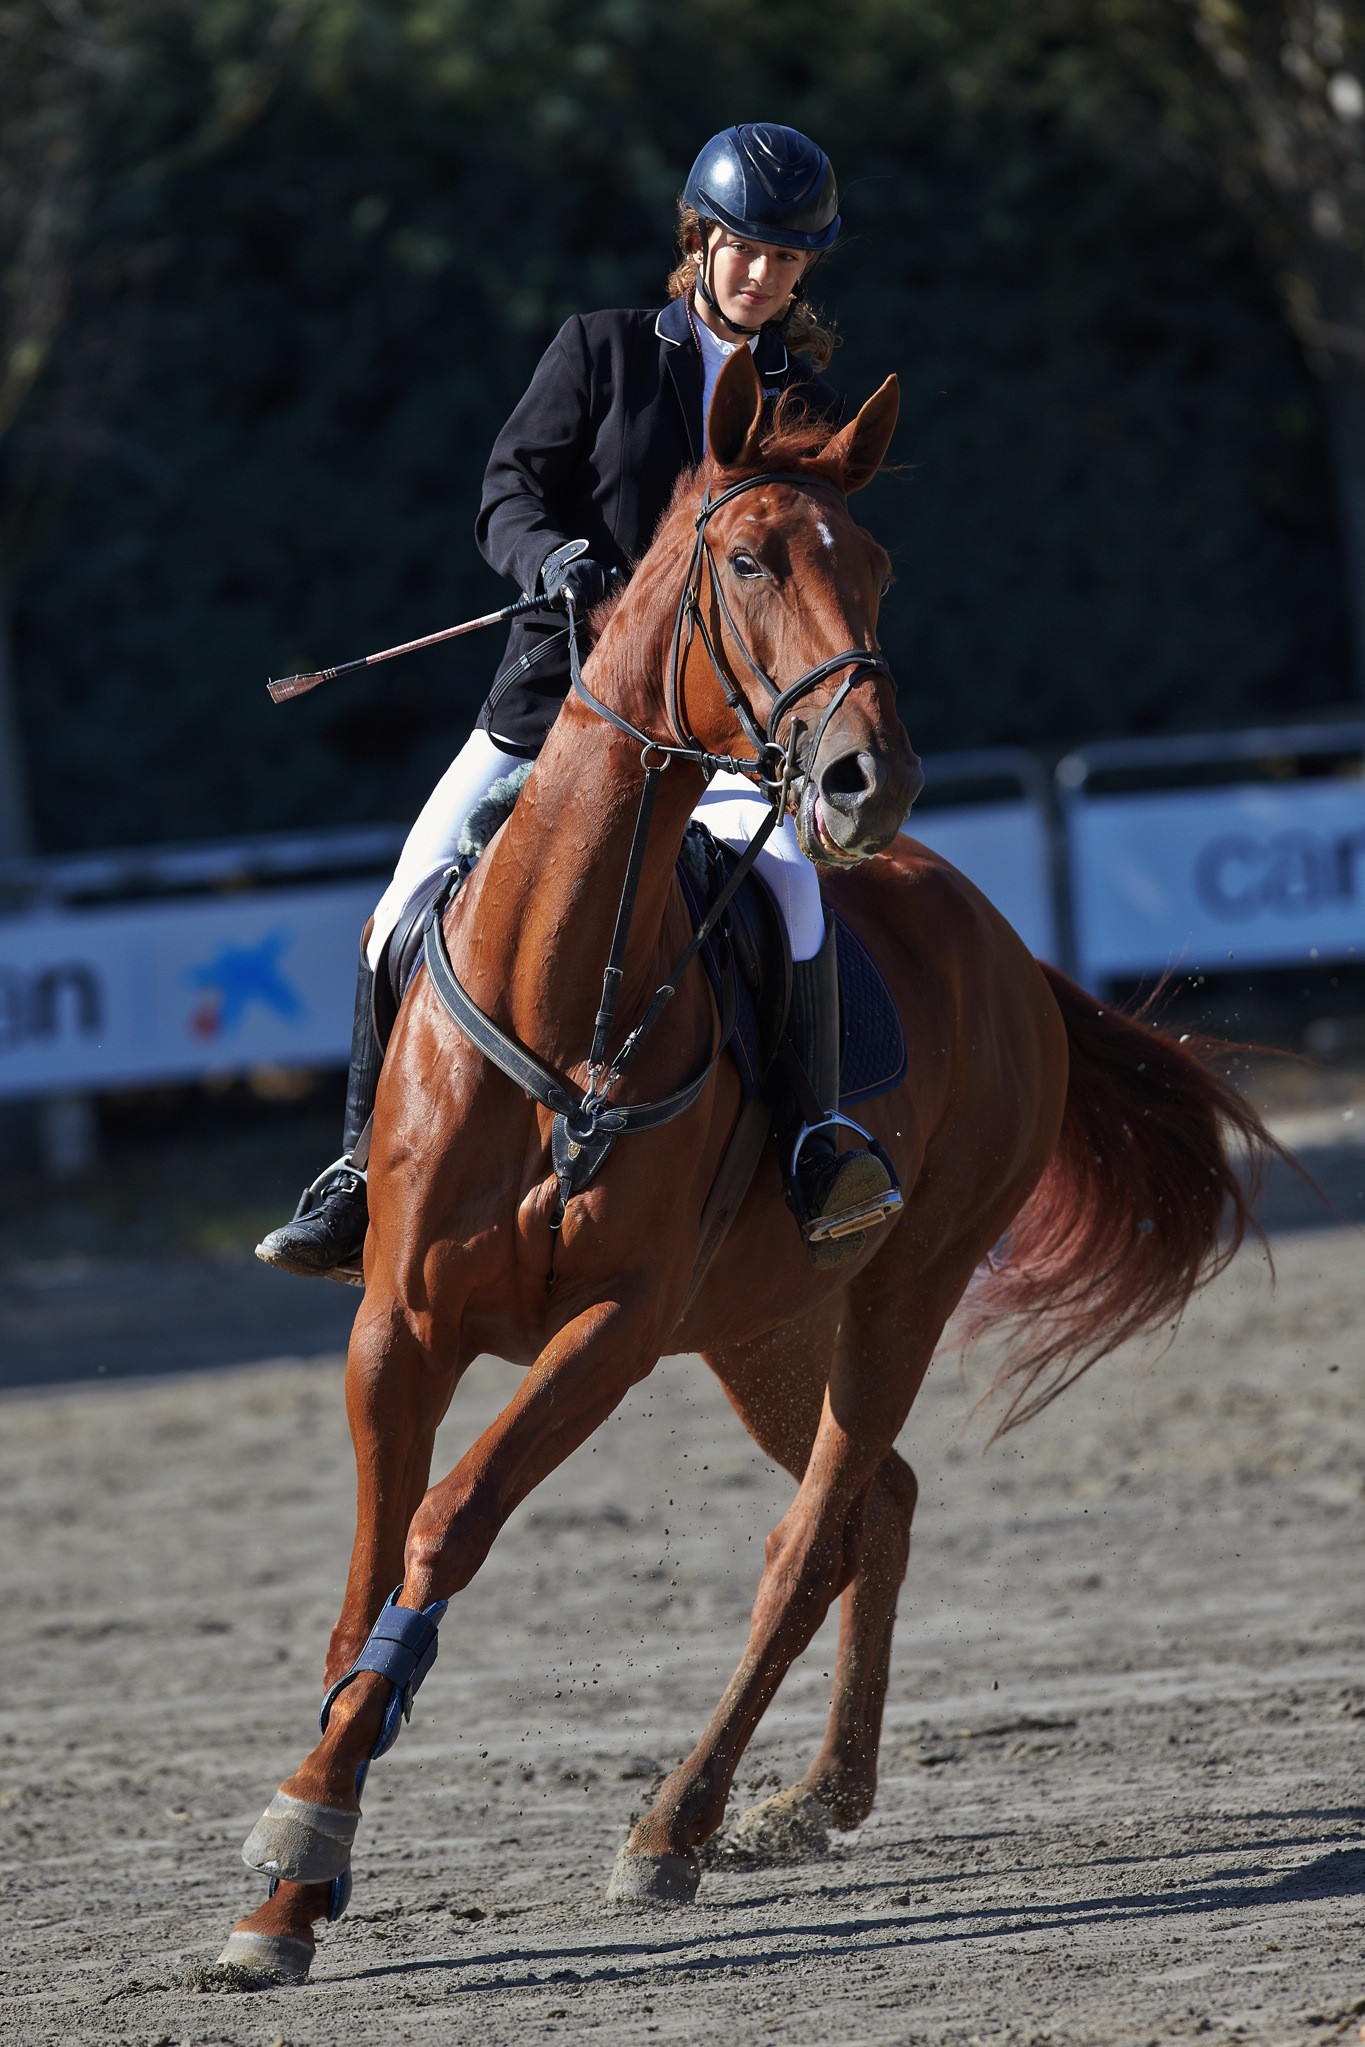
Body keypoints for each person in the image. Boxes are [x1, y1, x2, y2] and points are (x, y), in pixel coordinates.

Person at [258, 122, 901, 1283]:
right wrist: (550, 556)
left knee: (796, 897)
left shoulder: (805, 398)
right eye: (745, 249)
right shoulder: (601, 351)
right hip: (558, 710)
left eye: (788, 259)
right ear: (699, 242)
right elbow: (508, 491)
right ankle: (356, 1168)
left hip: (724, 733)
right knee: (404, 895)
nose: (763, 274)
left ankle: (813, 1140)